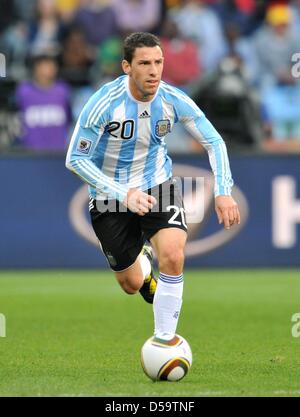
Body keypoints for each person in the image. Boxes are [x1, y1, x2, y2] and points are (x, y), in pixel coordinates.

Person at [65, 32, 240, 343]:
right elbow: (75, 159)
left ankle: (165, 340)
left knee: (173, 255)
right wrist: (124, 194)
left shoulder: (173, 99)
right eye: (144, 63)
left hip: (158, 184)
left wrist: (223, 191)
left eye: (158, 62)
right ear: (126, 67)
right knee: (131, 284)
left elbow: (214, 141)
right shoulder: (104, 104)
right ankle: (142, 265)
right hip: (110, 199)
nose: (154, 70)